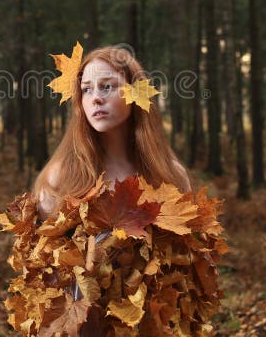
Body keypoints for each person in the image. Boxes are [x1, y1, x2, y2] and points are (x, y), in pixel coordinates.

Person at [34, 44, 191, 220]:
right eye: (86, 89)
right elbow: (45, 243)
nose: (95, 98)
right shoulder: (59, 179)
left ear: (136, 93)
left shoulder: (172, 176)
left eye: (107, 86)